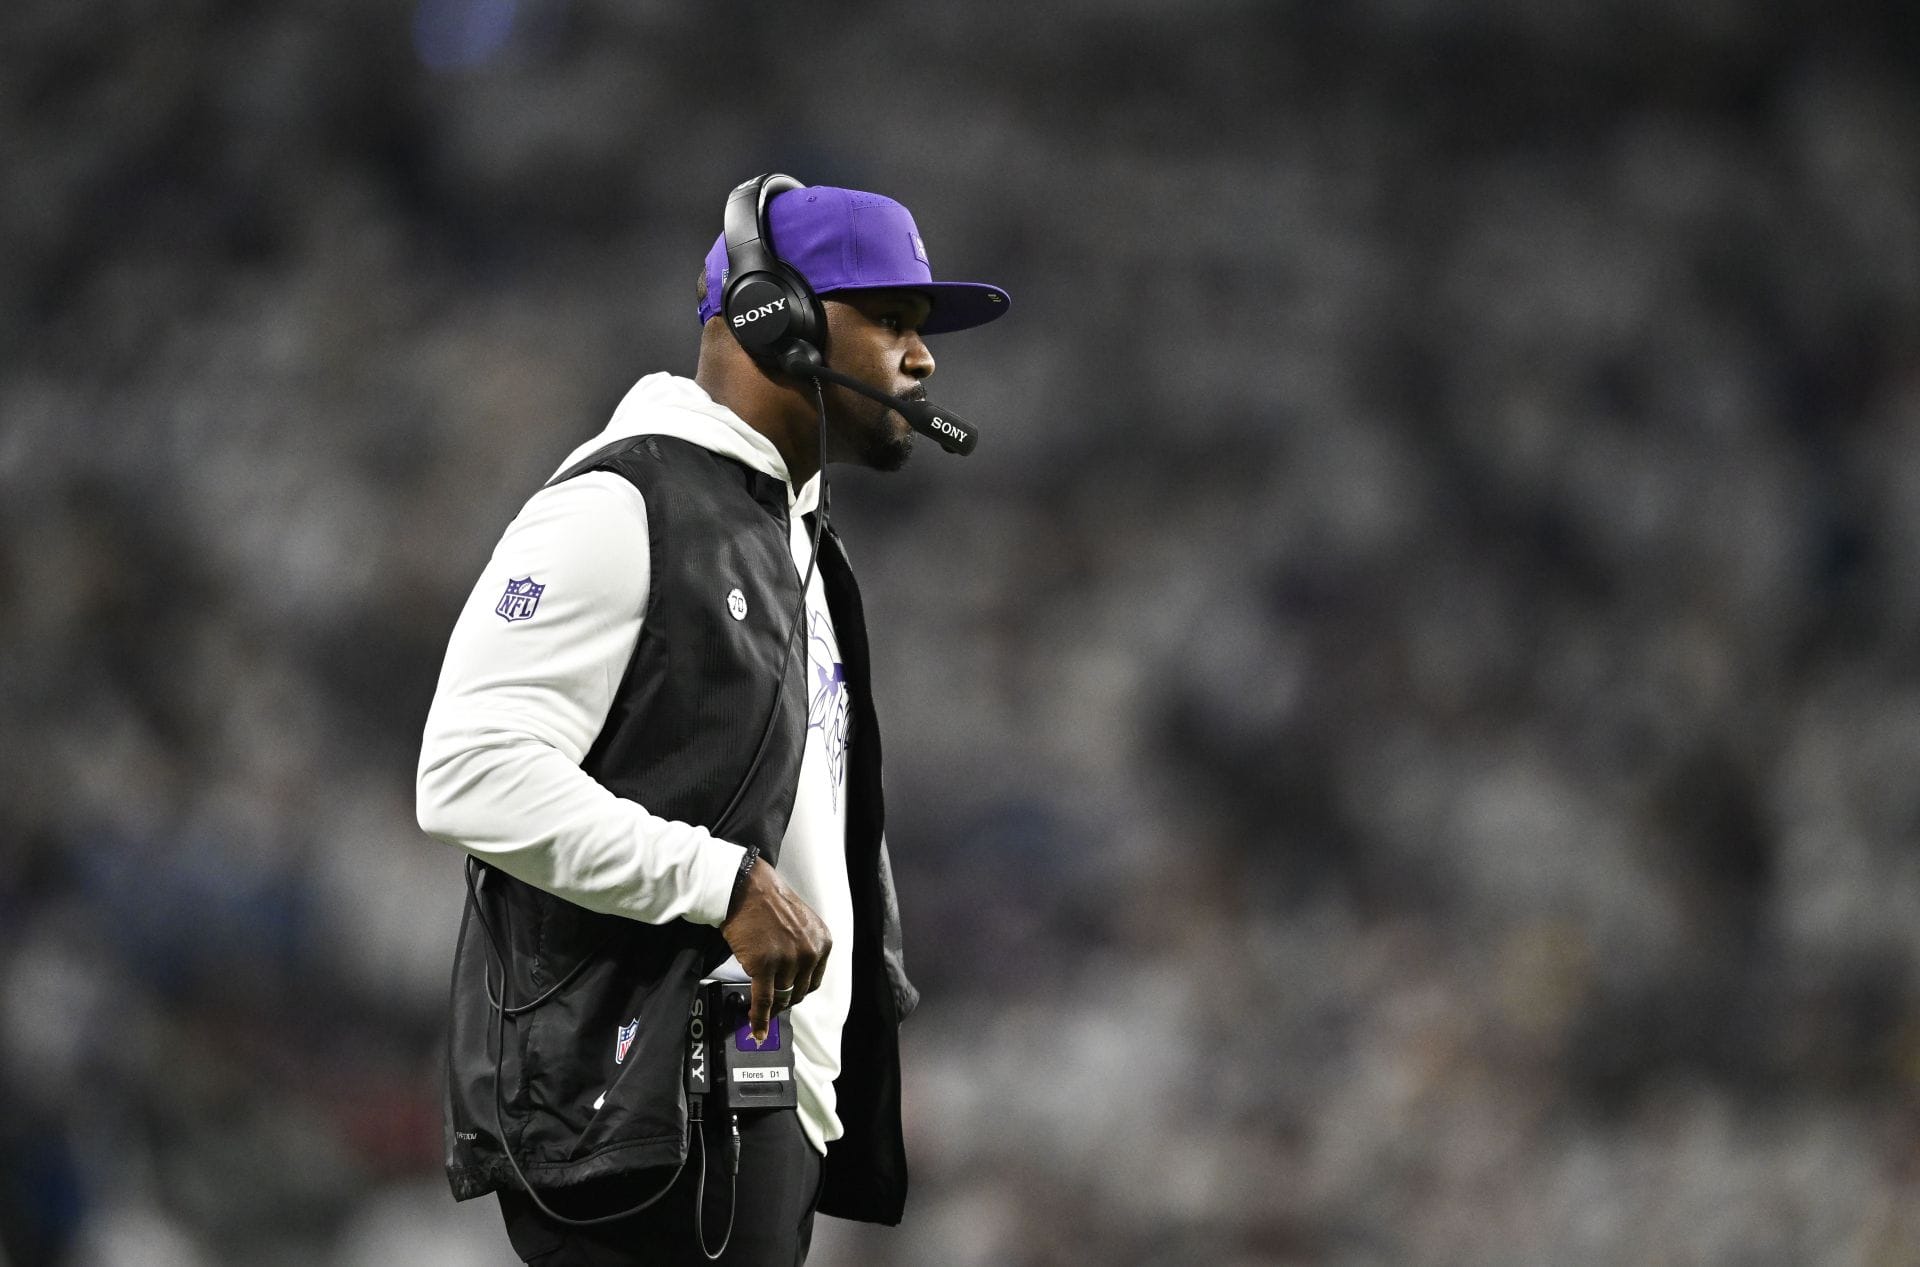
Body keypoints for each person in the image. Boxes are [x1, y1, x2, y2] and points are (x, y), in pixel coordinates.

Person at [415, 175, 1010, 1265]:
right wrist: (718, 880)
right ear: (772, 315)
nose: (923, 359)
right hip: (639, 1116)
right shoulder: (617, 507)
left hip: (743, 1115)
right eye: (890, 319)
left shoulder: (798, 545)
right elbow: (468, 767)